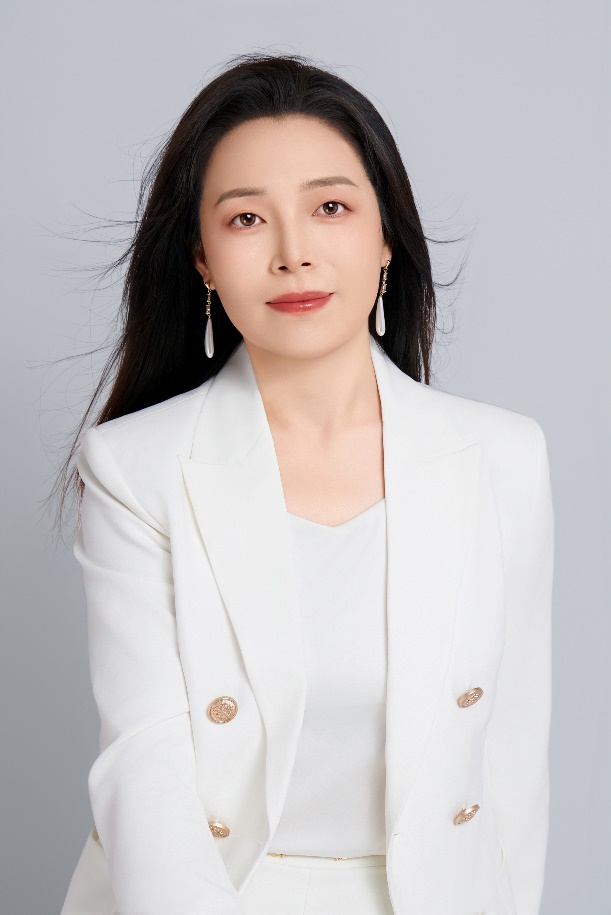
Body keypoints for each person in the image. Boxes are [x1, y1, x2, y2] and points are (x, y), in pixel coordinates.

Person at [59, 53, 554, 915]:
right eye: (247, 218)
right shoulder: (134, 468)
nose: (294, 254)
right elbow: (146, 769)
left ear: (386, 235)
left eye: (330, 207)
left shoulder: (502, 457)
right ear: (203, 259)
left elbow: (510, 766)